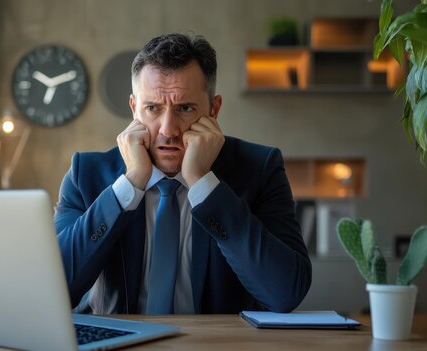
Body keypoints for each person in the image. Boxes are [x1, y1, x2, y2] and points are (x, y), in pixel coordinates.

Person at [55, 33, 311, 314]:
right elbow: (53, 290)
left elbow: (286, 293)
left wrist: (204, 185)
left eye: (185, 108)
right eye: (152, 108)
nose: (168, 130)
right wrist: (129, 186)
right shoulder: (85, 173)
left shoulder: (260, 168)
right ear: (134, 109)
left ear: (214, 110)